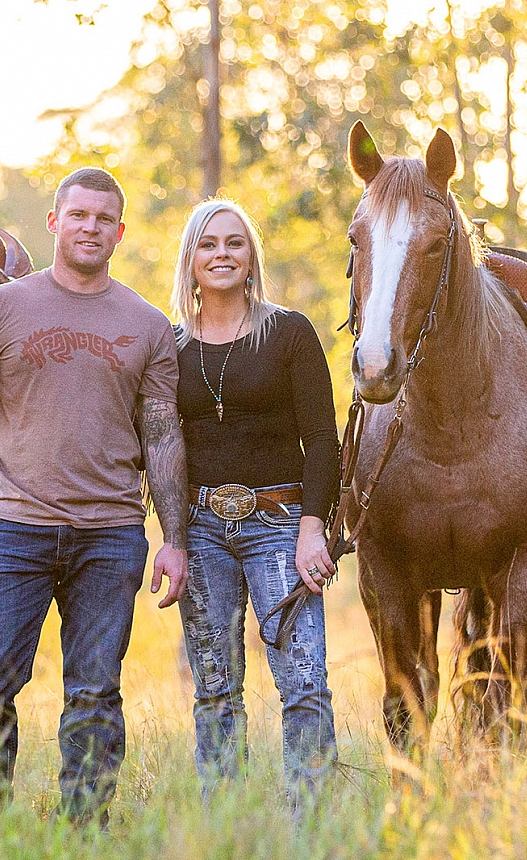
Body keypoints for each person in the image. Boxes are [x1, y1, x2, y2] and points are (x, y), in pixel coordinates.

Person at [0, 167, 189, 826]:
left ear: (118, 233)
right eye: (79, 215)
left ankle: (85, 829)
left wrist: (174, 540)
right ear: (55, 222)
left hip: (110, 537)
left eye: (103, 219)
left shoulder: (147, 325)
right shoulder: (2, 309)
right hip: (14, 531)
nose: (90, 227)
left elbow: (163, 440)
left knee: (94, 693)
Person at [169, 198, 338, 806]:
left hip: (279, 522)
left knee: (304, 682)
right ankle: (225, 823)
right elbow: (162, 444)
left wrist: (313, 528)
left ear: (250, 257)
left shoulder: (289, 332)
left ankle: (310, 824)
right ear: (191, 260)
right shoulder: (171, 347)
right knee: (215, 687)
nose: (221, 254)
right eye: (208, 244)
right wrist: (172, 537)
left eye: (233, 244)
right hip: (201, 526)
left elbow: (322, 437)